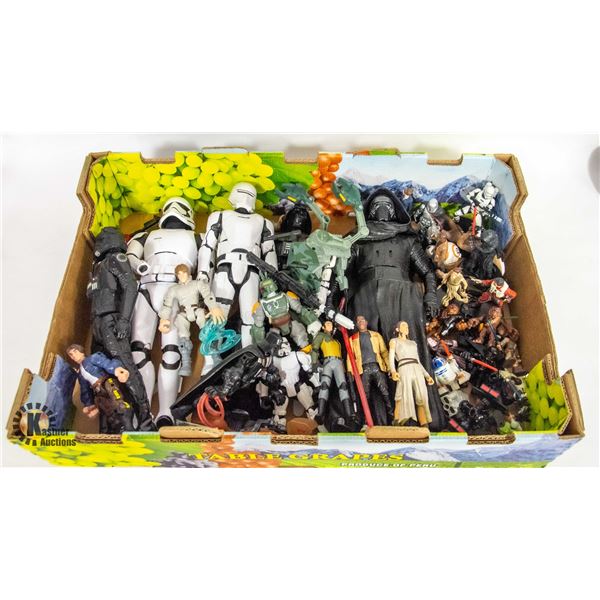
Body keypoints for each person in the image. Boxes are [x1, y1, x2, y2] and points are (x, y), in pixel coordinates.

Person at [158, 263, 225, 376]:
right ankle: (186, 363)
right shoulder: (174, 289)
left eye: (184, 273)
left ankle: (214, 356)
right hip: (183, 312)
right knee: (183, 338)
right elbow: (167, 304)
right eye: (179, 274)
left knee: (207, 331)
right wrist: (163, 318)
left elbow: (207, 294)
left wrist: (213, 307)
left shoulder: (197, 283)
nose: (182, 276)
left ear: (188, 273)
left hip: (197, 310)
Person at [66, 344, 133, 434]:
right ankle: (119, 426)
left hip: (106, 382)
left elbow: (106, 363)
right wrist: (88, 404)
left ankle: (128, 422)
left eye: (75, 351)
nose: (74, 355)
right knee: (107, 408)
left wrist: (116, 370)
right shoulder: (80, 373)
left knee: (117, 401)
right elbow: (85, 389)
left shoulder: (92, 358)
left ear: (81, 351)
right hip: (98, 390)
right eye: (71, 354)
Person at [347, 315, 392, 426]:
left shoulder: (376, 335)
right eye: (358, 321)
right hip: (363, 369)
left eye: (362, 320)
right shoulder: (353, 339)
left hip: (377, 366)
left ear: (366, 322)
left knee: (385, 392)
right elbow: (350, 357)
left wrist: (390, 367)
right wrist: (350, 372)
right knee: (364, 396)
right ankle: (366, 421)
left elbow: (384, 352)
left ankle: (392, 416)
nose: (361, 322)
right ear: (356, 325)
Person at [388, 322, 434, 427]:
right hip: (404, 368)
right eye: (404, 326)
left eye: (407, 326)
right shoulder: (394, 341)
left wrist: (427, 375)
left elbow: (418, 361)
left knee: (421, 395)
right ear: (397, 329)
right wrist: (393, 371)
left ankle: (424, 423)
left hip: (416, 368)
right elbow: (391, 358)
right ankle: (397, 420)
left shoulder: (413, 343)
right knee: (401, 394)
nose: (406, 328)